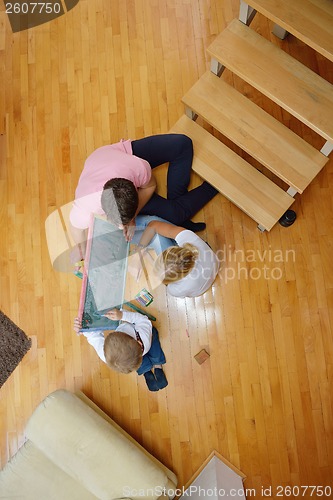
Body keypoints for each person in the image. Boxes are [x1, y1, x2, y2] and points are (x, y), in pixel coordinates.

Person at [69, 134, 218, 255]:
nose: (122, 228)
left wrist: (132, 218)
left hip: (125, 157)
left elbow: (151, 185)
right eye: (118, 223)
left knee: (182, 144)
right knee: (176, 214)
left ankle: (213, 186)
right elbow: (76, 228)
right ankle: (181, 214)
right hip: (104, 161)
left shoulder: (137, 168)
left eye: (123, 223)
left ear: (135, 189)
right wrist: (80, 248)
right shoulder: (84, 207)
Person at [74, 308, 168, 391]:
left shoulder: (106, 356)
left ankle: (145, 370)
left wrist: (84, 329)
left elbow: (94, 337)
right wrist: (123, 315)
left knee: (131, 361)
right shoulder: (143, 336)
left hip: (138, 353)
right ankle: (157, 365)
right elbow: (143, 320)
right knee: (154, 347)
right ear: (138, 343)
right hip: (146, 343)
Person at [133, 219, 220, 298]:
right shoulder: (190, 239)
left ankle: (131, 235)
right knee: (155, 230)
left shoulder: (176, 290)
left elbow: (166, 281)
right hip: (212, 264)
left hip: (202, 281)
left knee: (155, 236)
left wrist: (142, 253)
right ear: (173, 249)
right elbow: (154, 225)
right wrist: (140, 252)